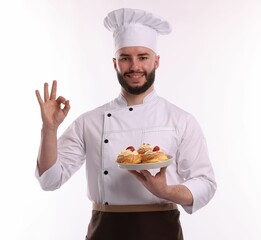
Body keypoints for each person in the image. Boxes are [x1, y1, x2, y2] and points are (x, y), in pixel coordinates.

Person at [35, 8, 217, 240]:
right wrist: (49, 130)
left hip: (162, 230)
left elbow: (206, 183)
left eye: (143, 57)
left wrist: (166, 191)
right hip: (105, 229)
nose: (134, 66)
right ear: (115, 63)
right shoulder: (90, 121)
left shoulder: (181, 120)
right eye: (125, 58)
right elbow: (50, 180)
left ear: (156, 62)